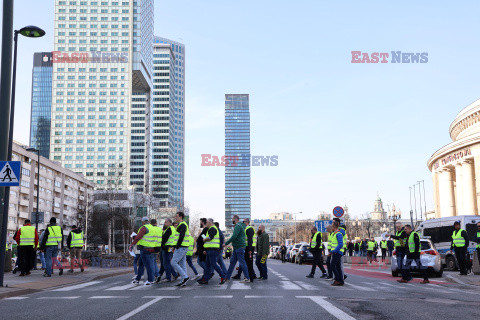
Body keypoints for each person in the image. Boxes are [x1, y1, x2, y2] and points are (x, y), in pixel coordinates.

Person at [198, 219, 226, 285]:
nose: (205, 224)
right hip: (209, 250)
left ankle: (223, 276)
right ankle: (206, 279)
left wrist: (204, 239)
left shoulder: (212, 228)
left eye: (206, 222)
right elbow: (207, 239)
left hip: (213, 250)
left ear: (210, 223)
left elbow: (210, 237)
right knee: (208, 265)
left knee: (213, 264)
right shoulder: (209, 229)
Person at [129, 217, 156, 286]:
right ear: (148, 221)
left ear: (143, 222)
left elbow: (138, 237)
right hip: (152, 248)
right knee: (141, 264)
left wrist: (132, 244)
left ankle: (150, 280)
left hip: (145, 249)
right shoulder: (152, 228)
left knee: (147, 265)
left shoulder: (144, 228)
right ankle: (137, 279)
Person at [225, 214, 250, 283]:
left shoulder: (237, 226)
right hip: (237, 248)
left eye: (232, 219)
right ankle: (227, 277)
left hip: (239, 247)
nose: (232, 220)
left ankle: (247, 278)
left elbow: (234, 236)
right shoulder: (240, 226)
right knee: (232, 262)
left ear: (235, 219)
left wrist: (226, 243)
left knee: (242, 263)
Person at [170, 211, 190, 286]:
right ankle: (183, 281)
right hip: (183, 247)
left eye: (176, 216)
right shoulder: (181, 225)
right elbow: (179, 236)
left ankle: (185, 277)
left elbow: (181, 236)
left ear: (181, 217)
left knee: (173, 262)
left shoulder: (182, 225)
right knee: (182, 264)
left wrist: (177, 246)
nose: (175, 217)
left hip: (181, 247)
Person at [160, 218, 178, 283]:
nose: (165, 223)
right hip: (171, 247)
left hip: (166, 247)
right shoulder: (174, 229)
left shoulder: (169, 229)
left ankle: (168, 277)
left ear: (170, 222)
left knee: (166, 263)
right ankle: (175, 274)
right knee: (168, 262)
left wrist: (162, 245)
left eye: (165, 222)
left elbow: (164, 238)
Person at [330, 221, 344, 286]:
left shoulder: (338, 234)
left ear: (334, 227)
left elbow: (340, 244)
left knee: (332, 265)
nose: (331, 228)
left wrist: (334, 251)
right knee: (338, 267)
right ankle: (341, 281)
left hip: (337, 252)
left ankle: (337, 280)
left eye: (332, 226)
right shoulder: (335, 234)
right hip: (336, 252)